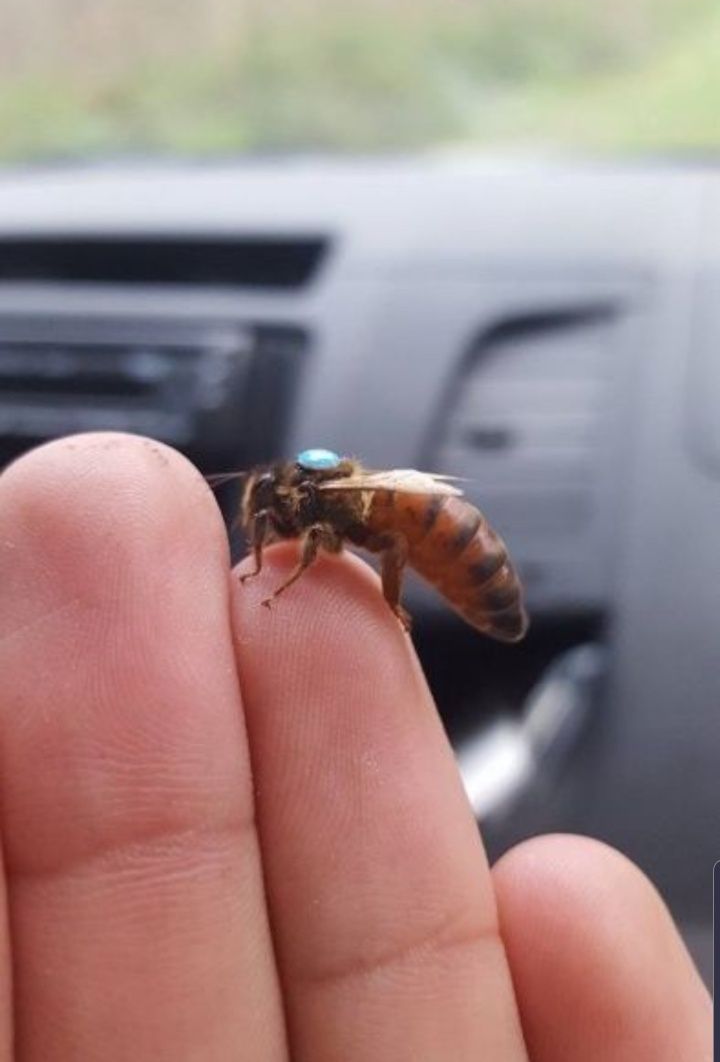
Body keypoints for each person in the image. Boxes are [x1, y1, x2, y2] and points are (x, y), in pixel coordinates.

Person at [0, 433, 711, 1061]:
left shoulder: (333, 508)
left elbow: (353, 540)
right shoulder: (333, 503)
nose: (265, 521)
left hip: (440, 536)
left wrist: (305, 580)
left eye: (269, 511)